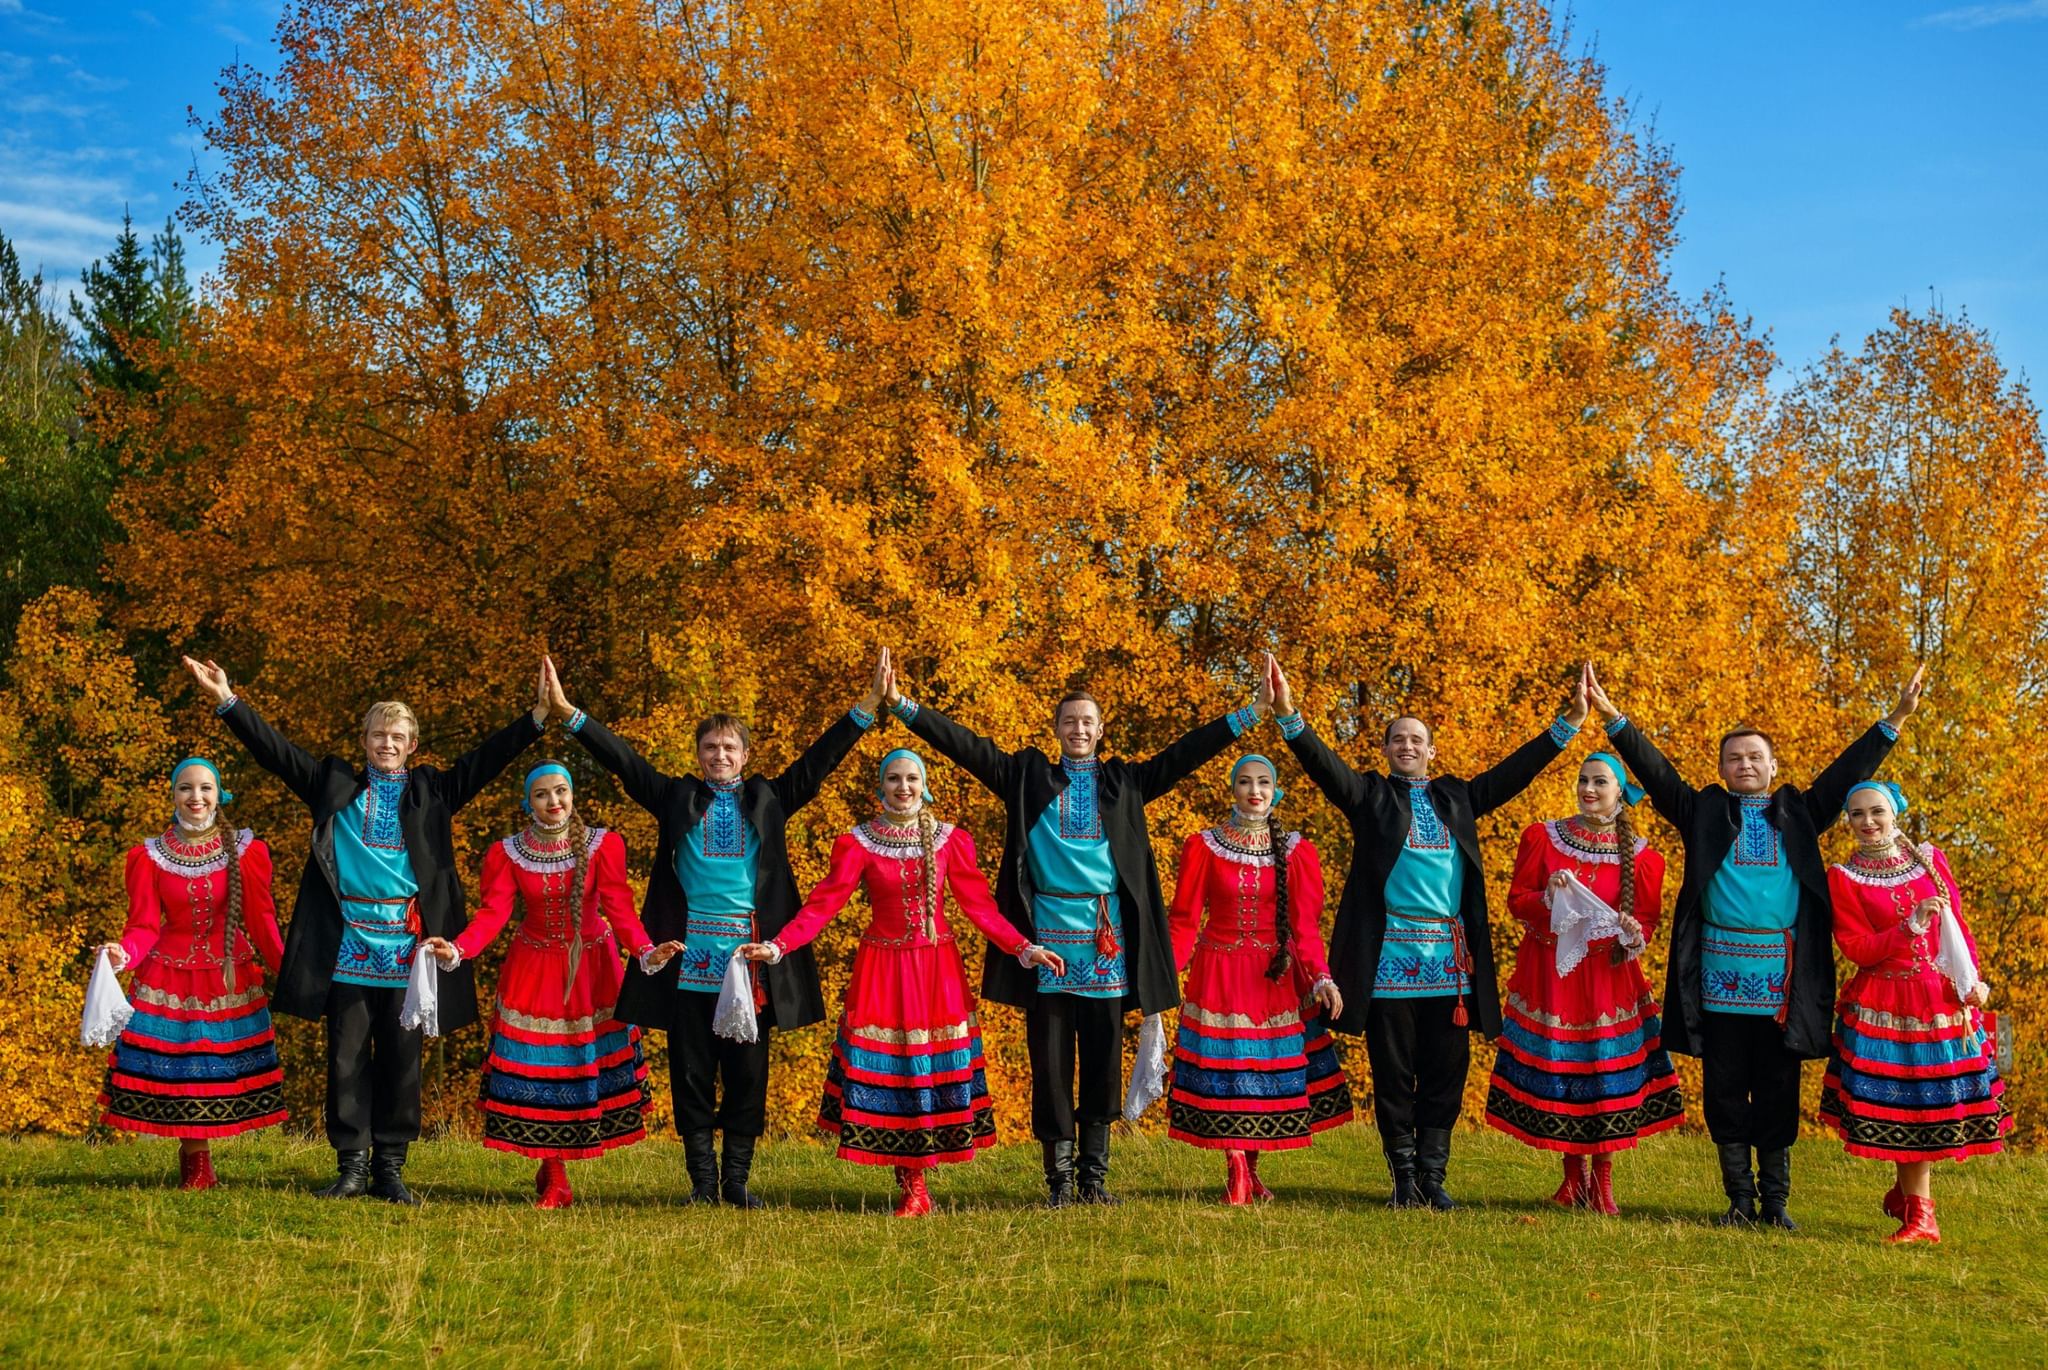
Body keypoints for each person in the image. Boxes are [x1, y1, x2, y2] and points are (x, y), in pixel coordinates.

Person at [885, 656, 1273, 1205]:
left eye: (1088, 721)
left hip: (1107, 943)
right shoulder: (1027, 776)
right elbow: (965, 746)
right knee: (1049, 1065)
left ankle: (1094, 1179)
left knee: (1102, 1061)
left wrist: (1252, 711)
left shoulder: (1125, 781)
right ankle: (1059, 1182)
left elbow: (1185, 754)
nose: (1079, 730)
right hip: (1045, 946)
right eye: (1070, 721)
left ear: (1100, 727)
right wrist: (904, 706)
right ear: (1056, 728)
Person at [186, 654, 550, 1203]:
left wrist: (539, 717)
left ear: (413, 744)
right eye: (379, 733)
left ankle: (391, 1169)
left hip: (410, 949)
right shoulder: (332, 784)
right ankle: (352, 1165)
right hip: (347, 946)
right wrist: (227, 700)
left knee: (403, 1058)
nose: (387, 742)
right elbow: (276, 753)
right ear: (364, 739)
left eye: (398, 735)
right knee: (347, 1054)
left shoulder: (433, 793)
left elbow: (487, 759)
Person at [1588, 663, 1925, 1229]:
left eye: (1754, 757)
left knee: (1776, 1090)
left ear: (1772, 766)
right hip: (1718, 978)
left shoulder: (1799, 812)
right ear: (1721, 768)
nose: (1744, 765)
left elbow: (1848, 773)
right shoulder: (1702, 812)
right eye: (1734, 758)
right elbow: (1656, 769)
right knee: (1723, 1092)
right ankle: (1739, 1201)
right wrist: (1613, 720)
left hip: (1783, 985)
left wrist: (1894, 719)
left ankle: (1776, 1203)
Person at [545, 654, 884, 1207]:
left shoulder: (769, 798)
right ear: (698, 755)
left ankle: (738, 1183)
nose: (720, 755)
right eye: (710, 747)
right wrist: (569, 714)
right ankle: (702, 1183)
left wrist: (866, 709)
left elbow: (818, 763)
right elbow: (625, 762)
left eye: (730, 748)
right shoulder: (677, 797)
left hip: (750, 959)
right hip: (688, 956)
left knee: (749, 1072)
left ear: (745, 756)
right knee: (691, 1069)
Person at [1270, 656, 1591, 1210]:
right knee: (1393, 1074)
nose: (1408, 747)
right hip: (1389, 962)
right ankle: (1402, 1179)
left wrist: (1568, 725)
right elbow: (1325, 767)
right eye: (1399, 740)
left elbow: (1514, 774)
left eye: (1417, 740)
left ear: (1432, 750)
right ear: (1387, 750)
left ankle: (1433, 1179)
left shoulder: (1456, 797)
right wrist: (1288, 714)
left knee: (1447, 1071)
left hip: (1450, 965)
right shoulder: (1370, 797)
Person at [737, 749, 1066, 1216]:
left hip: (937, 971)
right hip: (883, 971)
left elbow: (979, 907)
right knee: (897, 1074)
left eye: (911, 778)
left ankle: (919, 1180)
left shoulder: (952, 840)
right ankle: (911, 1184)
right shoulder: (857, 843)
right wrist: (778, 946)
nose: (903, 787)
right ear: (881, 785)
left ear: (924, 784)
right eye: (893, 778)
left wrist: (1023, 947)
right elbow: (823, 905)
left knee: (926, 1073)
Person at [421, 763, 684, 1208]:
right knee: (543, 1067)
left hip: (592, 966)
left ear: (573, 795)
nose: (554, 801)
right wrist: (459, 950)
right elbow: (493, 913)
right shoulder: (506, 853)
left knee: (577, 1066)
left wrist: (644, 951)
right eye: (542, 794)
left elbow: (620, 908)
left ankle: (553, 1168)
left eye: (561, 791)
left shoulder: (604, 845)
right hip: (535, 964)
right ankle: (557, 1176)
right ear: (529, 803)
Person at [1482, 753, 1682, 1214]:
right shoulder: (1543, 837)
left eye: (1600, 782)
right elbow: (1517, 901)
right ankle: (1573, 1178)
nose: (1589, 789)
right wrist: (1547, 896)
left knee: (1604, 1070)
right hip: (1552, 969)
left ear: (1619, 792)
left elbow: (1647, 922)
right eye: (1583, 780)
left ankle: (1604, 1183)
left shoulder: (1646, 857)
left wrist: (1634, 933)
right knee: (1565, 1069)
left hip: (1610, 976)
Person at [1820, 780, 2009, 1243]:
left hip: (1939, 999)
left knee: (1928, 1106)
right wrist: (1909, 926)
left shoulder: (1930, 857)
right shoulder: (1842, 876)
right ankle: (1917, 1209)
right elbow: (1857, 948)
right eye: (1857, 814)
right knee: (1904, 1108)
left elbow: (1958, 927)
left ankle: (1914, 1204)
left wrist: (1974, 980)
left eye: (1877, 812)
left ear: (1895, 812)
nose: (1867, 822)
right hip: (1885, 1002)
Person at [1165, 754, 1353, 1203]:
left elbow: (1305, 928)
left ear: (1276, 790)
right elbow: (1184, 920)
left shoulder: (1297, 850)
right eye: (1245, 781)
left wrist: (1322, 978)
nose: (1255, 790)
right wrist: (1162, 977)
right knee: (1228, 1070)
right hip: (1218, 971)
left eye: (1264, 782)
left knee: (1261, 1075)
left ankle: (1252, 1169)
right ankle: (1235, 1170)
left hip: (1274, 978)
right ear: (1232, 788)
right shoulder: (1203, 846)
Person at [97, 758, 286, 1189]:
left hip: (227, 974)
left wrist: (292, 971)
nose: (195, 797)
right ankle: (195, 1163)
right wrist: (122, 954)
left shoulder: (247, 850)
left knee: (215, 1065)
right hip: (169, 973)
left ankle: (202, 1162)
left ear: (220, 794)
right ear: (172, 795)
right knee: (182, 1069)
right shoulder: (147, 856)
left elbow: (261, 918)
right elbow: (143, 924)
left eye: (204, 788)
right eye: (185, 788)